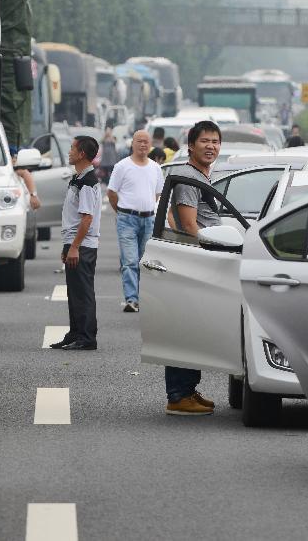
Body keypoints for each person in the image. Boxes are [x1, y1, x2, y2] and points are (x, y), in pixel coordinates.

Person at [164, 120, 223, 416]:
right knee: (186, 328)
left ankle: (187, 389)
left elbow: (174, 217)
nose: (210, 146)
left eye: (215, 141)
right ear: (190, 145)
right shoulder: (189, 177)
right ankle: (178, 395)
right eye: (204, 141)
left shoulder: (199, 176)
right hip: (195, 260)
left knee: (193, 327)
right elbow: (189, 224)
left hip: (196, 258)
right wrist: (206, 254)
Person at [49, 136, 102, 351]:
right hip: (74, 242)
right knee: (74, 292)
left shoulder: (88, 182)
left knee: (83, 293)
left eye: (72, 148)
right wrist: (68, 245)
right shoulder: (78, 178)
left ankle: (87, 337)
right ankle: (75, 332)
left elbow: (87, 219)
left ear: (81, 154)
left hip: (83, 246)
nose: (69, 152)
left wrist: (74, 247)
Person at [107, 130, 164, 313]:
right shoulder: (122, 166)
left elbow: (157, 194)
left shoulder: (155, 168)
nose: (143, 145)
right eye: (139, 141)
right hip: (127, 220)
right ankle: (132, 299)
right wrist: (122, 212)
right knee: (130, 261)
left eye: (146, 141)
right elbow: (111, 192)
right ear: (132, 143)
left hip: (149, 219)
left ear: (151, 145)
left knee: (145, 262)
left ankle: (144, 297)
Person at [11, 147, 41, 211]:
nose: (15, 160)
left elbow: (24, 172)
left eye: (16, 157)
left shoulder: (16, 170)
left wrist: (33, 195)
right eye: (13, 157)